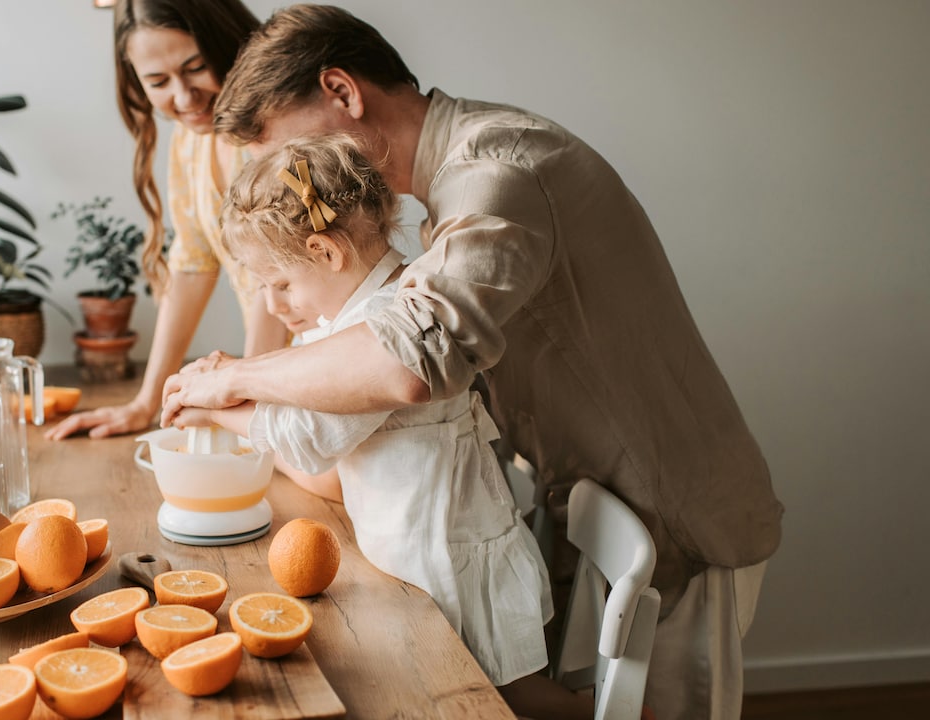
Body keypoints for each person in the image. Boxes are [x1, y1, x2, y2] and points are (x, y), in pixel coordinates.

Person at [160, 5, 783, 719]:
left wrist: (233, 379)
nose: (294, 178)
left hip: (675, 517)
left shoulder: (498, 173)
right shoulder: (442, 195)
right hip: (591, 503)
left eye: (289, 149)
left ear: (341, 91)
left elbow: (408, 361)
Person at [176, 133, 608, 717]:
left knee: (495, 694)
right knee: (477, 691)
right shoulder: (352, 316)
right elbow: (300, 412)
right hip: (413, 549)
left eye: (280, 285)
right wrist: (229, 385)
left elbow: (308, 440)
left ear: (326, 252)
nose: (273, 306)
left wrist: (212, 409)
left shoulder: (380, 322)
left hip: (443, 558)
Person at [44, 0, 284, 442]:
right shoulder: (189, 142)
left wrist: (251, 403)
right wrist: (147, 402)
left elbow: (282, 272)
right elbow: (192, 265)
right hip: (267, 388)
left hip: (308, 379)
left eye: (196, 68)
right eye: (158, 81)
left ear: (228, 41)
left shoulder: (279, 127)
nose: (184, 98)